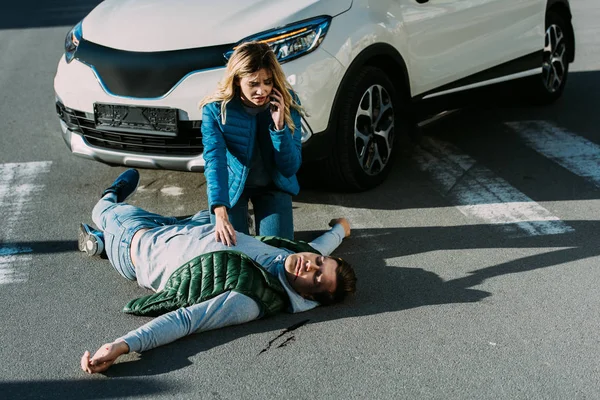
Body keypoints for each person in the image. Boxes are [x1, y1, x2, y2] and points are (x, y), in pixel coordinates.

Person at [78, 169, 356, 374]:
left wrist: (122, 345)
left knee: (103, 211)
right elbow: (319, 248)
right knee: (187, 217)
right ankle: (98, 242)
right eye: (318, 263)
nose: (311, 264)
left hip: (136, 244)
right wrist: (340, 230)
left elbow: (186, 320)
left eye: (317, 277)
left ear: (308, 297)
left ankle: (109, 199)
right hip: (179, 225)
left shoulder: (248, 300)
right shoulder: (291, 256)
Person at [199, 41, 305, 244]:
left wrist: (279, 127)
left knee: (277, 253)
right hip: (234, 189)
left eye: (267, 82)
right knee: (233, 253)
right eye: (253, 84)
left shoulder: (288, 102)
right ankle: (211, 219)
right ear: (238, 80)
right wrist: (220, 212)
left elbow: (290, 167)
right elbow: (215, 162)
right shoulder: (215, 109)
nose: (262, 91)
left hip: (273, 186)